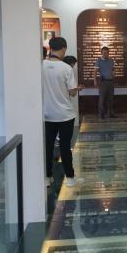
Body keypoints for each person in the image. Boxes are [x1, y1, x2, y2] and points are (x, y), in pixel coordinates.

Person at [43, 37, 83, 188]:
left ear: (50, 48)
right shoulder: (66, 68)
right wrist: (76, 89)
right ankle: (70, 178)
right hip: (65, 115)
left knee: (47, 147)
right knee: (65, 147)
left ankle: (47, 177)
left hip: (46, 115)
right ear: (64, 49)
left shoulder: (40, 65)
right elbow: (72, 93)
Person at [95, 46, 116, 119]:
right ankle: (101, 114)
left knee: (111, 99)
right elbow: (95, 71)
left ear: (108, 53)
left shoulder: (111, 60)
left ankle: (111, 113)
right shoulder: (99, 61)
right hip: (103, 82)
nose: (106, 54)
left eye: (107, 52)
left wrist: (113, 73)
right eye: (104, 53)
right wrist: (95, 80)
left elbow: (113, 69)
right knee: (102, 99)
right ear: (101, 53)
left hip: (111, 81)